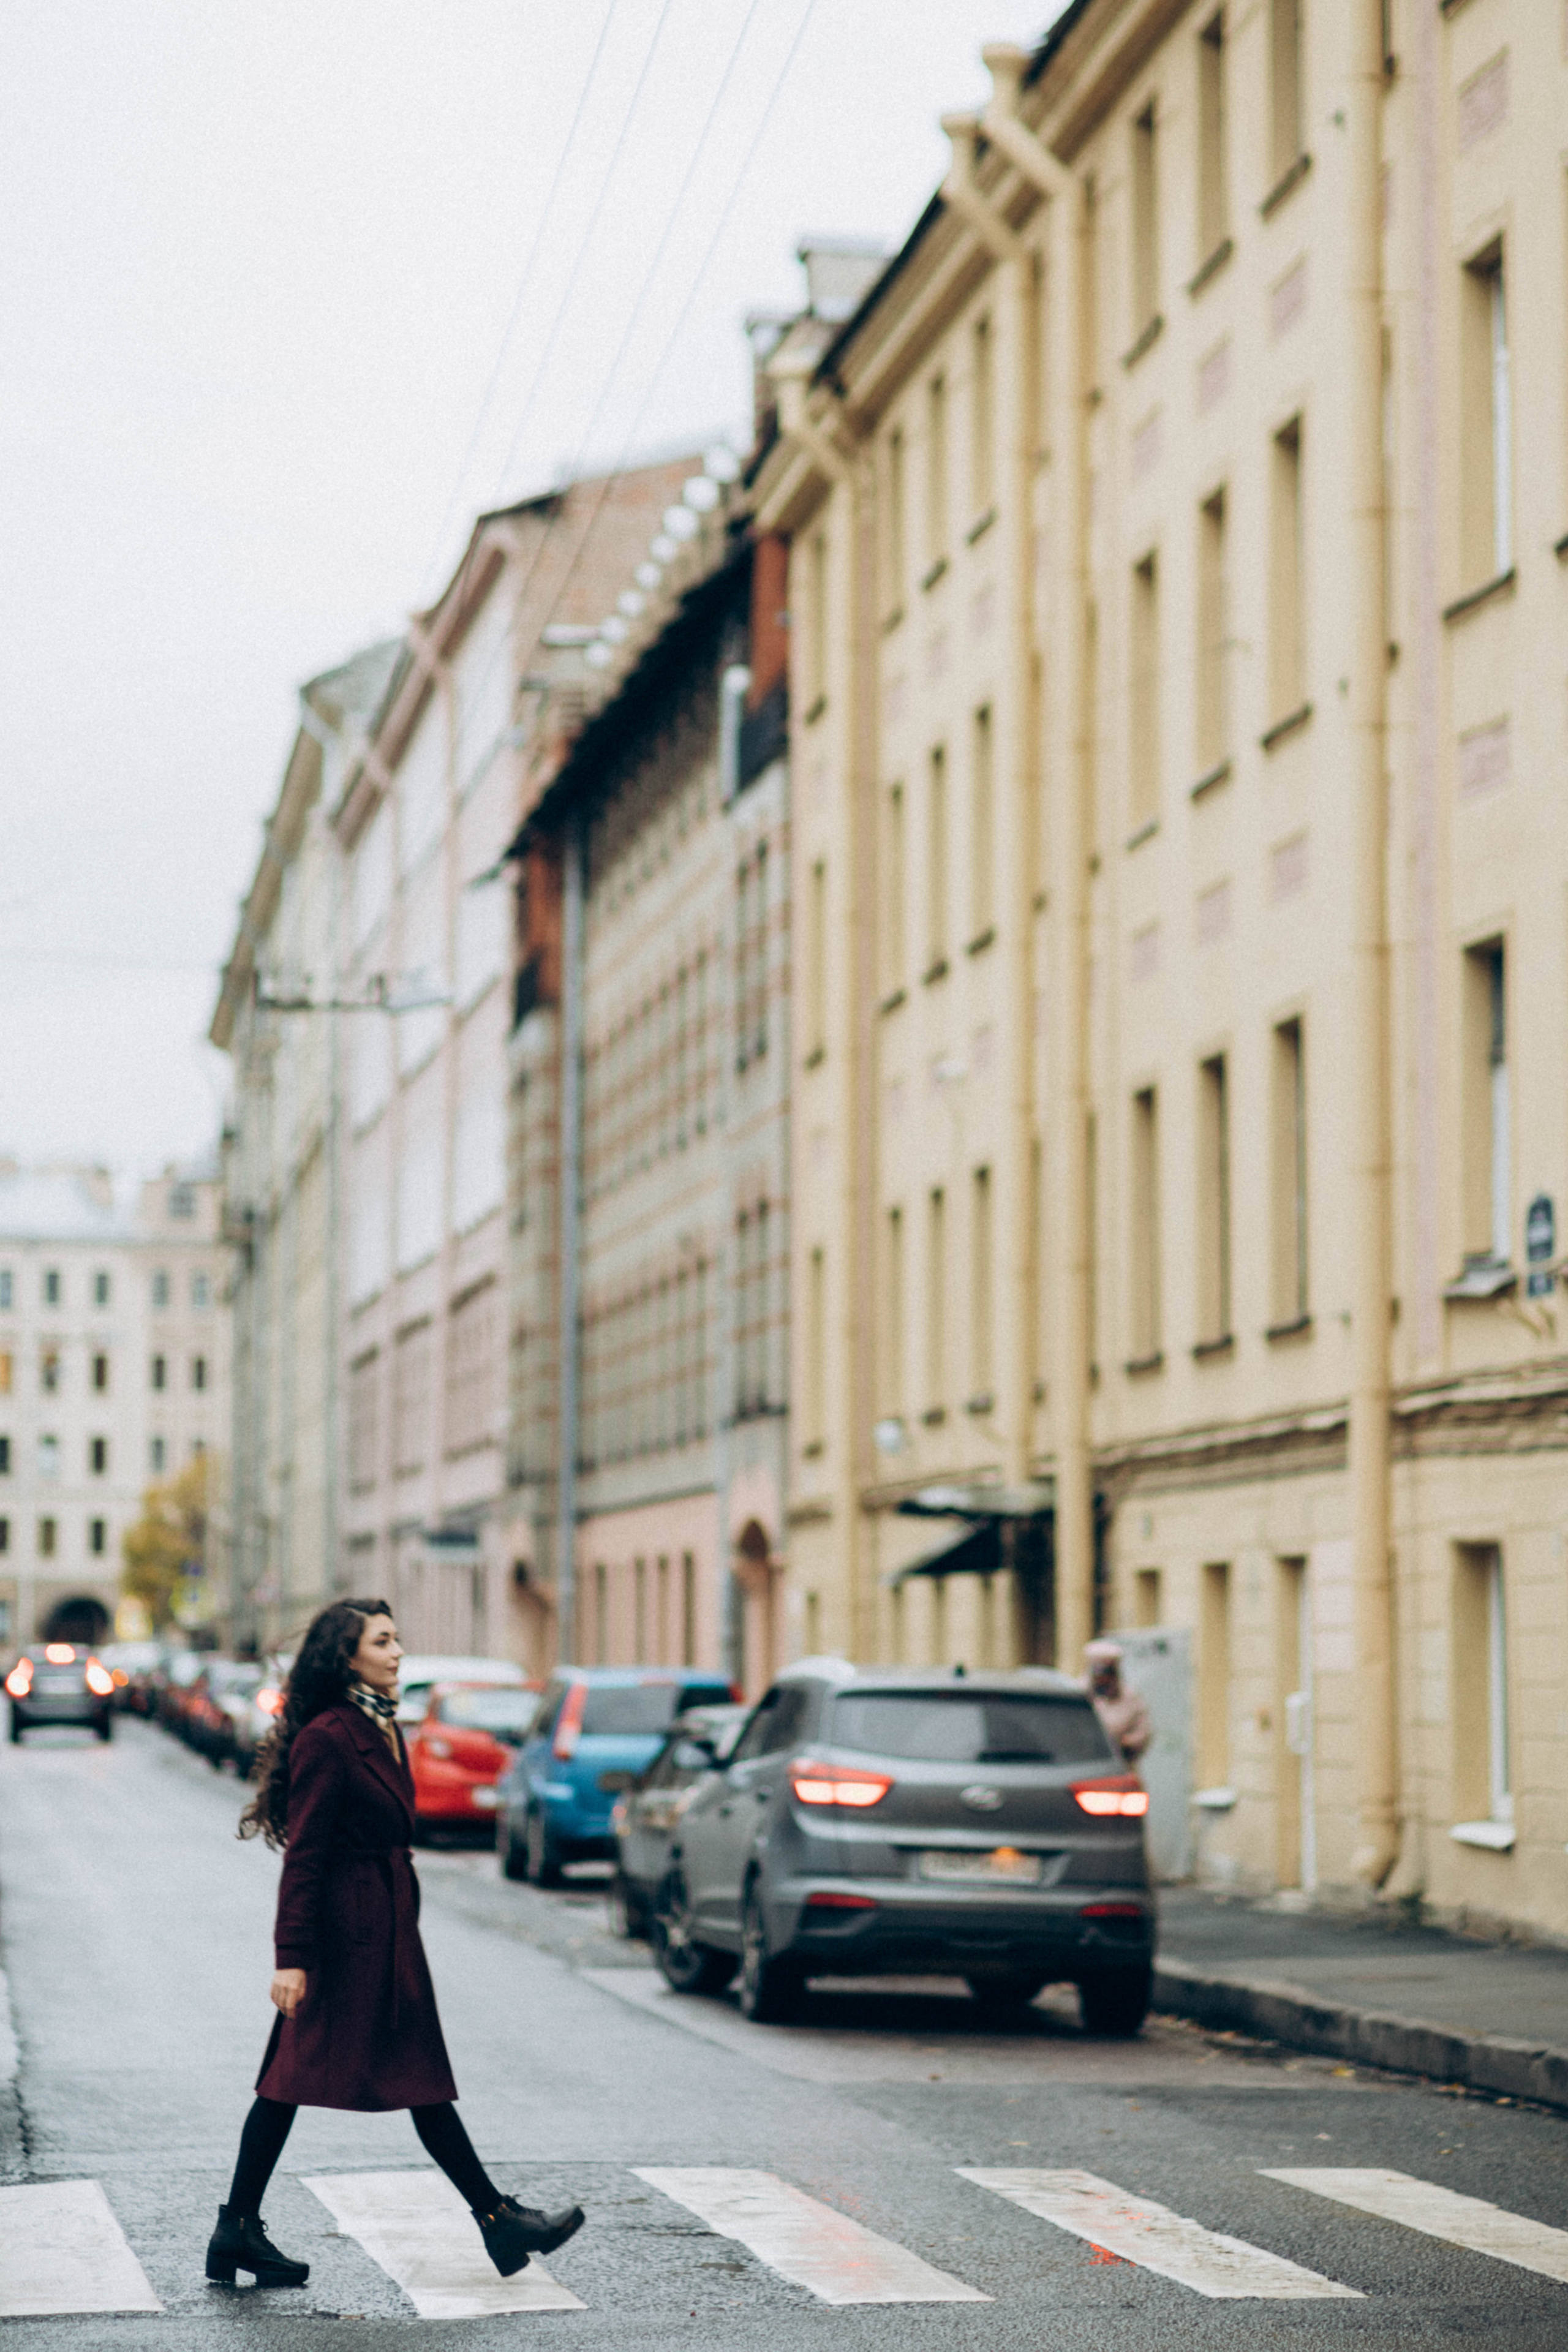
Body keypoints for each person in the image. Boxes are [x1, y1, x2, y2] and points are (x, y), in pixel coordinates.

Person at [207, 1597, 584, 2291]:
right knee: (334, 2077)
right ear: (347, 1656)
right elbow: (306, 1855)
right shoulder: (330, 1736)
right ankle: (497, 2219)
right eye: (382, 1641)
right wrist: (292, 1958)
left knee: (365, 2076)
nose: (397, 1651)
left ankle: (238, 2228)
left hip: (382, 1926)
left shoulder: (378, 1726)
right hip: (346, 1936)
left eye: (396, 1638)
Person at [1084, 1639, 1152, 1766]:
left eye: (1107, 1674)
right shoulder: (1078, 1694)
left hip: (1120, 1765)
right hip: (1085, 1765)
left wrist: (1126, 1742)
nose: (1103, 1680)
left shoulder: (1130, 1698)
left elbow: (1143, 1733)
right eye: (1098, 1675)